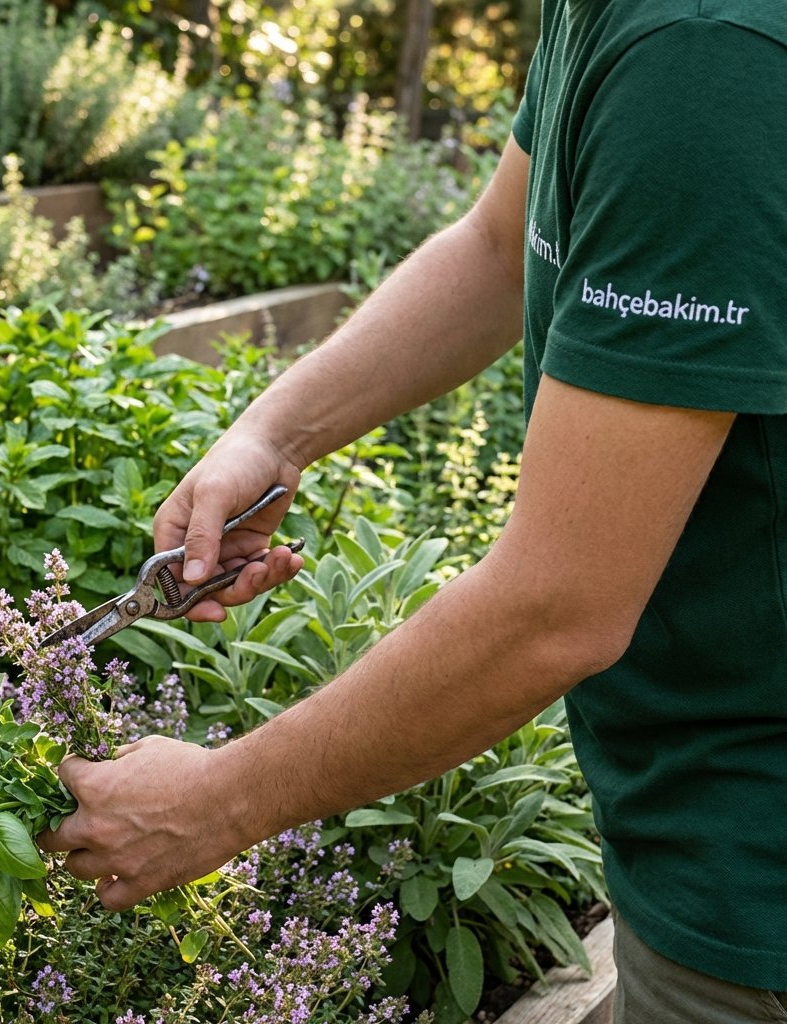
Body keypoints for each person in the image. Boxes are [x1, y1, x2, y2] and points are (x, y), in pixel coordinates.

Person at [39, 2, 787, 1019]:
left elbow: (553, 608)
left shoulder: (699, 54)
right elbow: (495, 244)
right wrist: (276, 433)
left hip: (752, 893)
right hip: (696, 836)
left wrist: (216, 803)